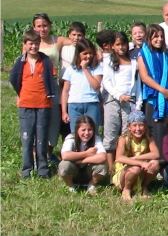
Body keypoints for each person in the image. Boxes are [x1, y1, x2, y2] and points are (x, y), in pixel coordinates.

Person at [10, 28, 55, 179]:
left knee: (42, 138)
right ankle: (26, 171)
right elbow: (14, 79)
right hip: (26, 104)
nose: (34, 47)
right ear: (25, 44)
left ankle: (43, 170)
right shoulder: (20, 61)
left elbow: (51, 79)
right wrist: (21, 93)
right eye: (30, 44)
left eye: (36, 43)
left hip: (43, 104)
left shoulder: (46, 61)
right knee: (27, 138)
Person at [138, 24, 168, 155]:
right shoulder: (143, 54)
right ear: (149, 37)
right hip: (154, 98)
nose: (159, 39)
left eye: (161, 36)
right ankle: (157, 161)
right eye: (155, 36)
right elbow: (144, 77)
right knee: (156, 131)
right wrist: (162, 90)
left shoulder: (166, 53)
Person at [32, 13, 72, 165]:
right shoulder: (31, 43)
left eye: (45, 25)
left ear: (50, 25)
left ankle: (49, 152)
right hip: (37, 87)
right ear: (34, 27)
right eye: (39, 26)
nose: (42, 29)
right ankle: (36, 154)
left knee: (54, 119)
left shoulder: (58, 40)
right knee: (38, 120)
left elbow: (79, 43)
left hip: (54, 86)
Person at [102, 31, 142, 173]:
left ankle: (124, 165)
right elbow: (106, 81)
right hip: (113, 100)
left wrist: (138, 103)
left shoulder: (133, 62)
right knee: (111, 133)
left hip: (129, 101)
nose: (121, 47)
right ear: (112, 46)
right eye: (117, 44)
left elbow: (137, 84)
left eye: (123, 44)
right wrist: (118, 95)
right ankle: (111, 168)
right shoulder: (108, 61)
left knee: (126, 134)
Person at [112, 111, 160, 201]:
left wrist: (136, 158)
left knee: (155, 164)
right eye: (134, 125)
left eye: (141, 125)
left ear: (145, 126)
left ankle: (144, 187)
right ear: (129, 127)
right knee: (135, 168)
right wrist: (140, 163)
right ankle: (126, 189)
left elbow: (156, 154)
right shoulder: (123, 139)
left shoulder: (148, 137)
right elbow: (119, 157)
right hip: (125, 173)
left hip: (141, 170)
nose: (138, 129)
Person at [61, 38, 102, 134]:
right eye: (85, 53)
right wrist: (64, 111)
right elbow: (65, 91)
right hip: (74, 105)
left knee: (92, 132)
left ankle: (92, 149)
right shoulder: (71, 69)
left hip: (91, 103)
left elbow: (96, 86)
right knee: (76, 133)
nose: (88, 56)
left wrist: (85, 69)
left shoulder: (96, 68)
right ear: (78, 54)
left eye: (90, 53)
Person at [58, 116, 107, 194]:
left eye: (90, 130)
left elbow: (103, 157)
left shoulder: (96, 139)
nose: (87, 133)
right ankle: (70, 186)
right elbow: (65, 155)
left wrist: (81, 161)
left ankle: (91, 185)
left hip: (88, 171)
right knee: (64, 165)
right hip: (73, 171)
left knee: (102, 166)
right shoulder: (70, 138)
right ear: (77, 130)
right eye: (83, 130)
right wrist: (87, 153)